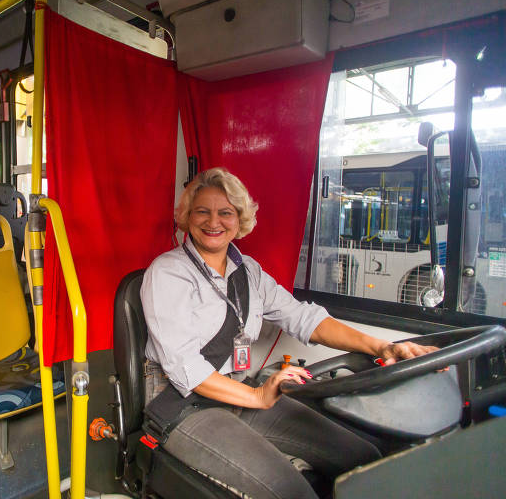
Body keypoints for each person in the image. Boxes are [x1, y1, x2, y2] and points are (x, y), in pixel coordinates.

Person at [140, 167, 438, 499]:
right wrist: (257, 396)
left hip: (239, 392)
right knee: (293, 493)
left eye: (225, 212)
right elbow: (186, 368)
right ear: (187, 217)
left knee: (362, 459)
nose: (214, 222)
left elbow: (304, 318)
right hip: (187, 406)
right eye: (202, 211)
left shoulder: (249, 271)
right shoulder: (167, 273)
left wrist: (382, 346)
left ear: (239, 220)